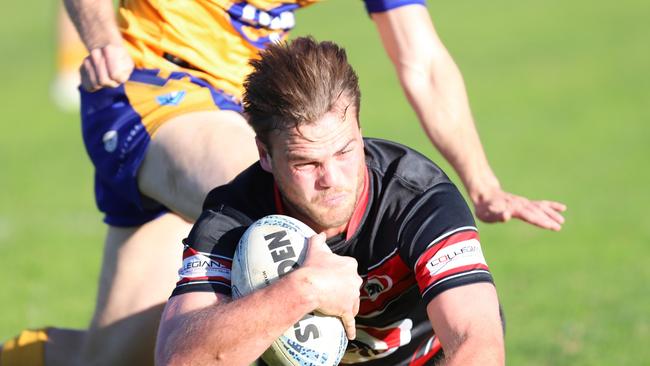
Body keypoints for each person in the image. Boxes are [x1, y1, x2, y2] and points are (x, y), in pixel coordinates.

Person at [1, 0, 561, 365]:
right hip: (149, 81)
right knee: (286, 236)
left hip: (256, 98)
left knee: (105, 358)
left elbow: (423, 59)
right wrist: (101, 37)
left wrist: (481, 182)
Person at [156, 37, 505, 366]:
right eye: (306, 163)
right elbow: (176, 358)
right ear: (265, 154)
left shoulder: (418, 200)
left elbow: (480, 343)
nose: (332, 180)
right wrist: (302, 291)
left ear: (359, 128)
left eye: (345, 151)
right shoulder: (234, 215)